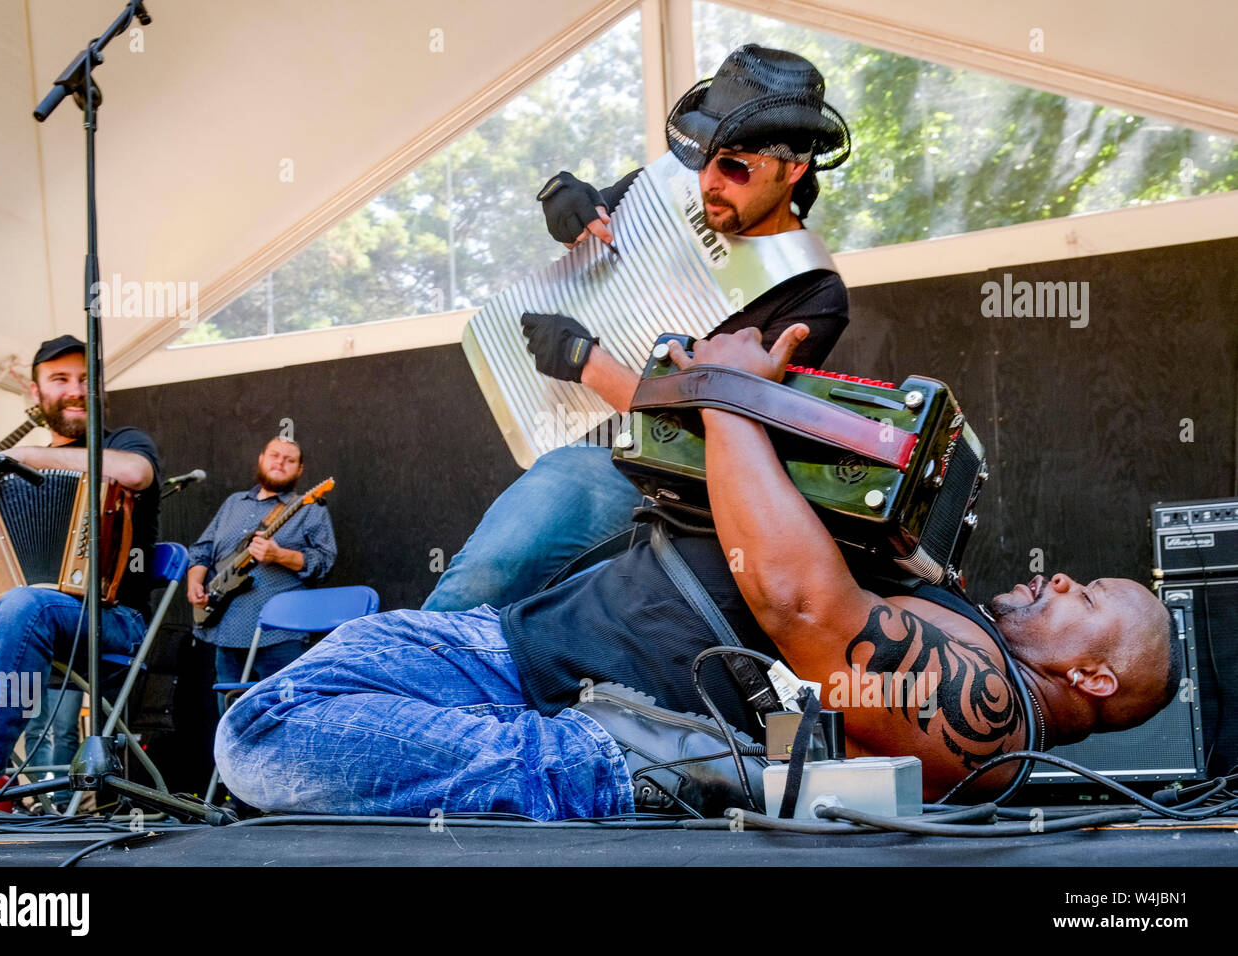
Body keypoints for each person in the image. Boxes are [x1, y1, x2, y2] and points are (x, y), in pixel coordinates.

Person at [216, 325, 1181, 819]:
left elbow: (798, 601)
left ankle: (564, 775)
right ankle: (501, 748)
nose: (1061, 582)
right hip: (526, 647)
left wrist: (727, 397)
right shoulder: (964, 628)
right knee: (343, 657)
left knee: (260, 735)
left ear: (1095, 677)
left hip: (593, 723)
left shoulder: (992, 722)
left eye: (1088, 598)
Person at [423, 44, 853, 612]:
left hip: (670, 486)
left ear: (793, 168)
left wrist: (588, 364)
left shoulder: (809, 289)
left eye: (735, 166)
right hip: (581, 440)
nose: (707, 182)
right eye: (703, 157)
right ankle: (378, 676)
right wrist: (568, 202)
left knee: (502, 566)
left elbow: (719, 438)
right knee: (482, 585)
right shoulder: (672, 190)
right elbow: (594, 230)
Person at [0, 335, 162, 798]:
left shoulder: (124, 443)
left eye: (85, 378)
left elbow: (137, 473)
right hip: (18, 621)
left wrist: (23, 456)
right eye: (60, 379)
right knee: (16, 605)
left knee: (25, 604)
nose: (75, 389)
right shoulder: (9, 475)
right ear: (36, 395)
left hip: (111, 622)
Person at [186, 437, 336, 711]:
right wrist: (195, 582)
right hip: (225, 627)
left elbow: (324, 562)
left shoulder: (310, 509)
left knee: (281, 715)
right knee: (229, 719)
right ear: (261, 459)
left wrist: (279, 555)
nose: (280, 462)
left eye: (289, 460)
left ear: (300, 470)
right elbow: (202, 550)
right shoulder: (234, 503)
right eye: (275, 455)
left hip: (280, 633)